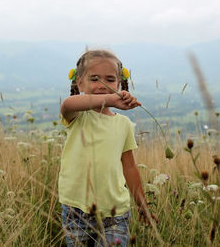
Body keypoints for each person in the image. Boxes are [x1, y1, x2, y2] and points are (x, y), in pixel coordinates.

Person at [59, 49, 153, 246]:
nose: (102, 85)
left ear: (119, 83)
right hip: (76, 210)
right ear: (79, 83)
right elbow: (67, 104)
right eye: (94, 79)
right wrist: (112, 99)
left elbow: (130, 167)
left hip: (115, 211)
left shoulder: (124, 124)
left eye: (110, 80)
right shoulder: (78, 116)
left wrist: (142, 204)